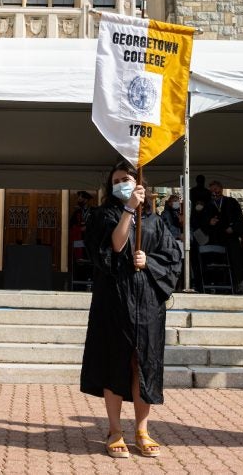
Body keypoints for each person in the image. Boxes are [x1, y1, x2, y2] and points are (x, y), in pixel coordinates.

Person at [80, 159, 183, 459]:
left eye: (126, 178)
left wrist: (148, 261)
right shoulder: (103, 215)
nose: (121, 184)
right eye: (116, 181)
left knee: (143, 365)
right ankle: (114, 430)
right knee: (115, 364)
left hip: (148, 304)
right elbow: (114, 246)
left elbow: (171, 258)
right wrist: (127, 210)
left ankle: (142, 429)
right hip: (115, 302)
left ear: (141, 184)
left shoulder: (155, 220)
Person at [199, 180, 243, 292]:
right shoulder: (207, 205)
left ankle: (238, 283)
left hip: (230, 237)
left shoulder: (232, 202)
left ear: (221, 189)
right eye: (212, 190)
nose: (214, 192)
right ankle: (215, 284)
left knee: (235, 259)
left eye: (216, 189)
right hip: (215, 237)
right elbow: (201, 222)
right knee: (214, 261)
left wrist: (233, 228)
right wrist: (209, 222)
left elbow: (240, 219)